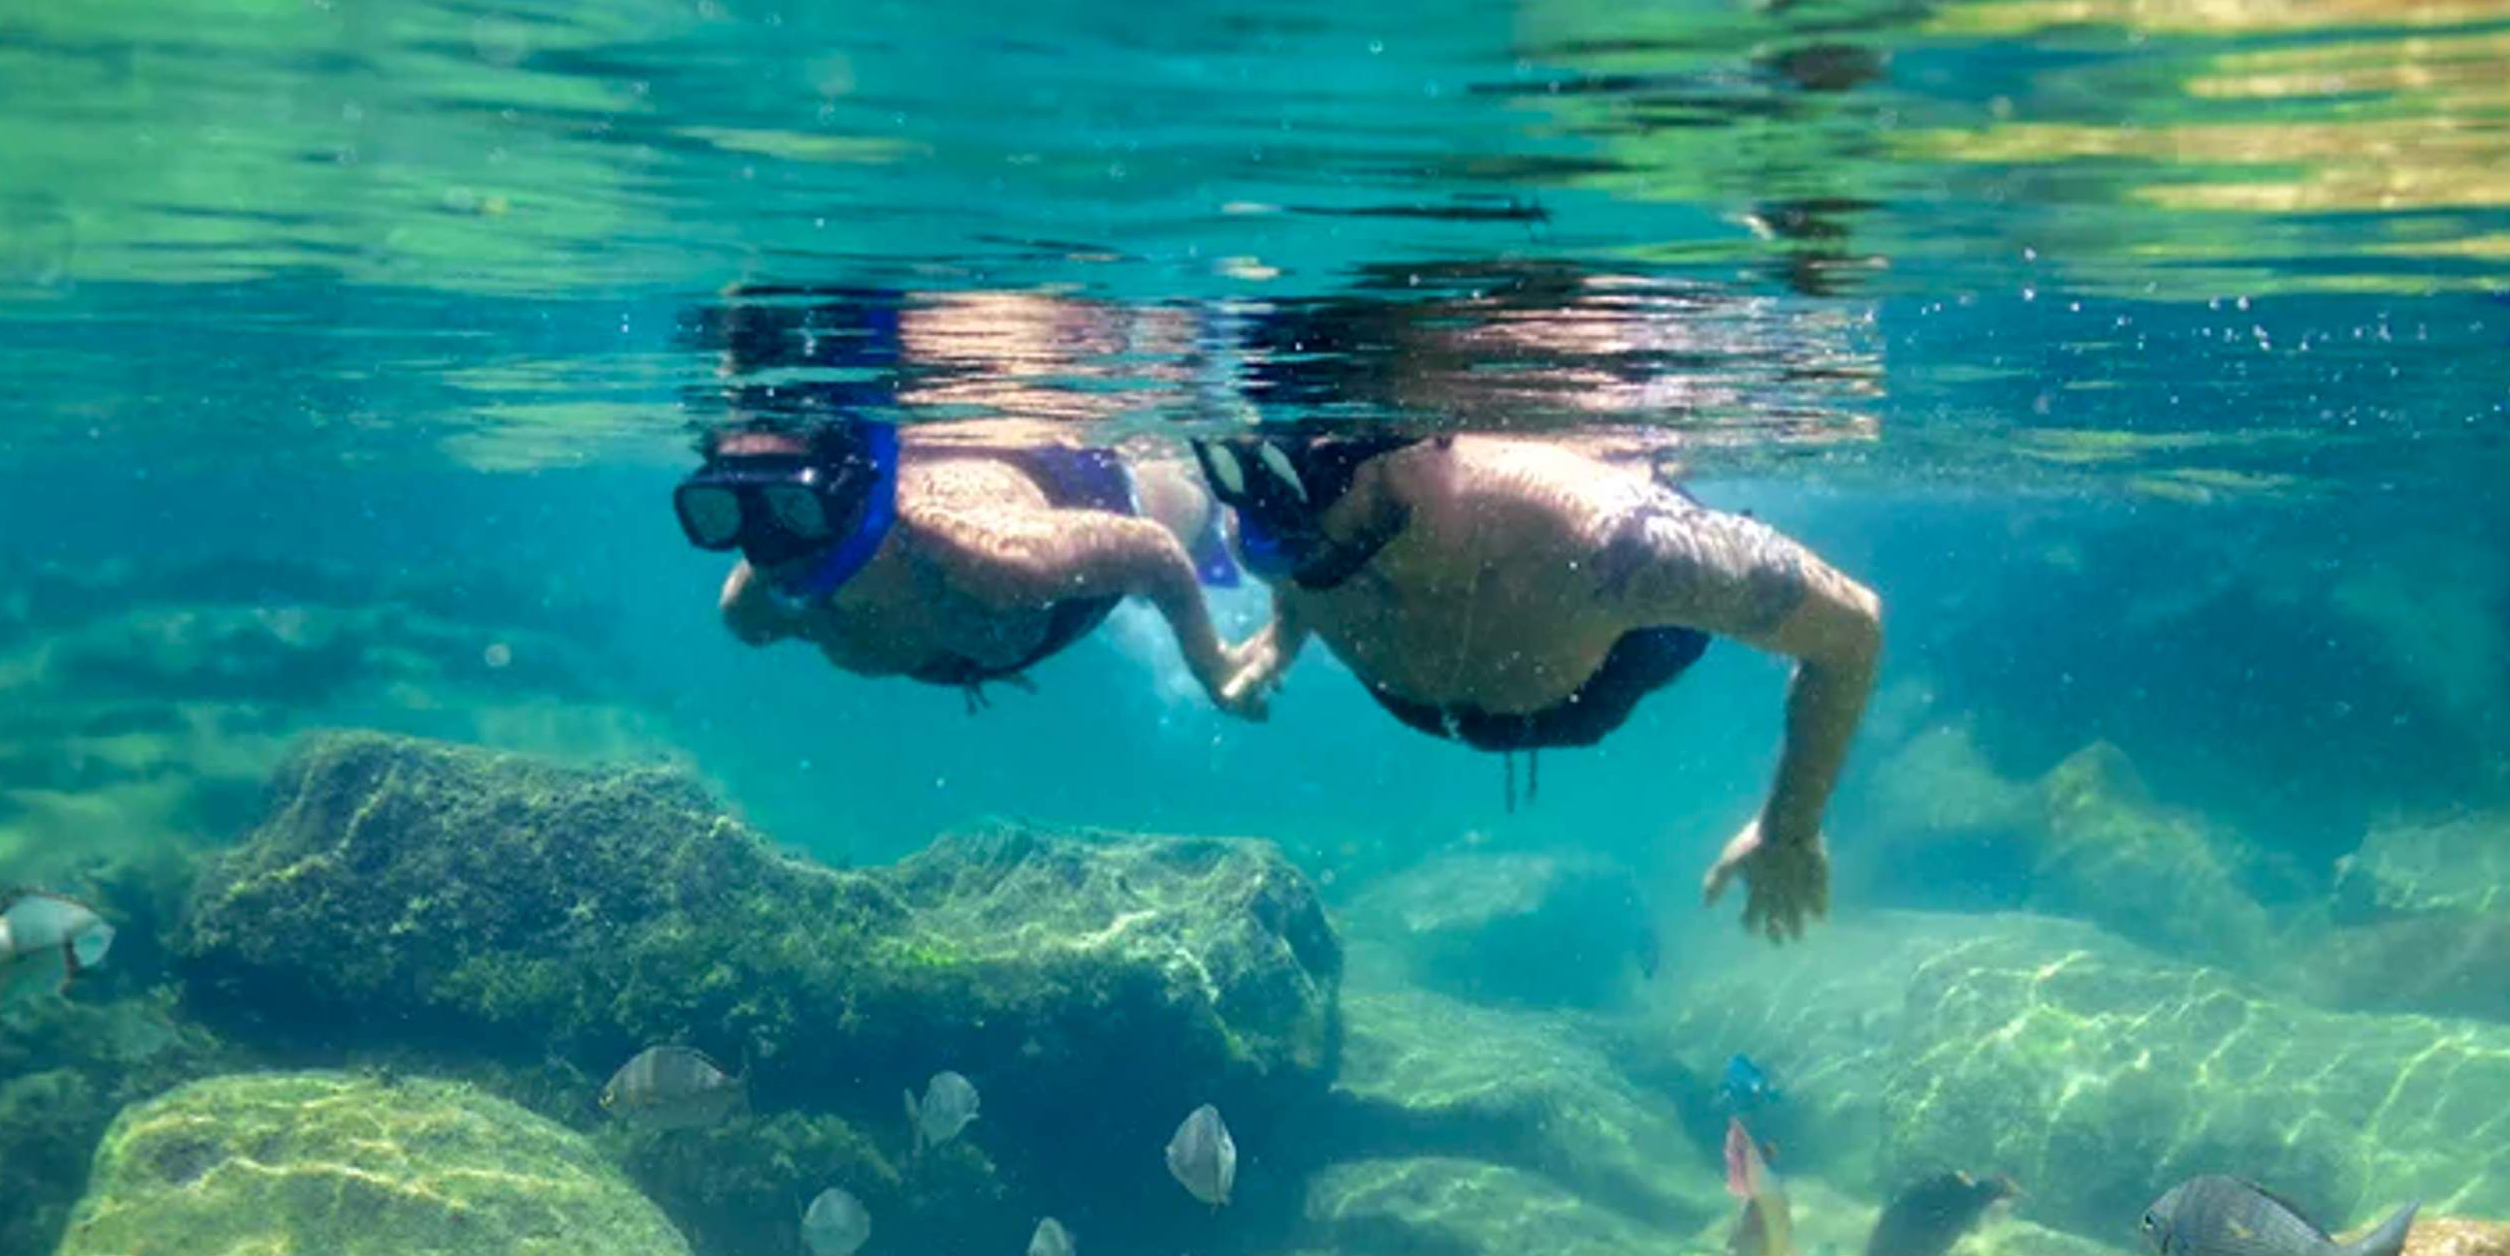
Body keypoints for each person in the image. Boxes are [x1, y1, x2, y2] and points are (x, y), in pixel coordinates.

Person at [1197, 430, 1882, 940]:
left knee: (1718, 567)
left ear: (1424, 445)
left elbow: (1852, 628)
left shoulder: (1616, 546)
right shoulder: (1266, 518)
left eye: (1330, 540)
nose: (1288, 548)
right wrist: (1283, 637)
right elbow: (1300, 562)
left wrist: (1790, 827)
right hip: (1446, 690)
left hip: (1605, 673)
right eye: (1281, 542)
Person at [676, 415, 1242, 709]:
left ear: (848, 497)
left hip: (1093, 494)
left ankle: (1218, 509)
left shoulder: (991, 556)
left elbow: (1153, 553)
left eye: (793, 505)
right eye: (723, 509)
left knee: (1186, 514)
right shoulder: (761, 604)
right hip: (998, 608)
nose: (765, 542)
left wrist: (1210, 664)